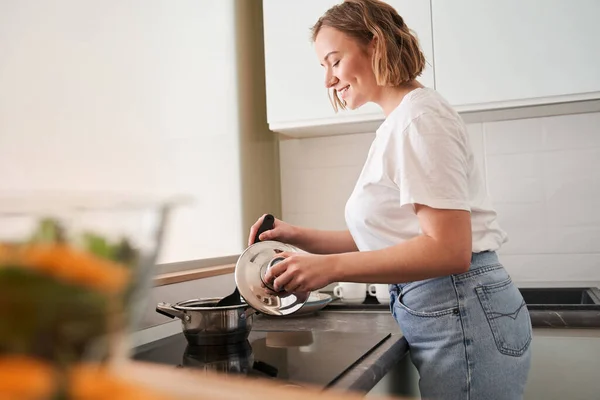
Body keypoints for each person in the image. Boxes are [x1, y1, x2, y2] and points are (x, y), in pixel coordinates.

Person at [248, 0, 532, 399]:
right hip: (449, 307)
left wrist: (328, 269)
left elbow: (449, 250)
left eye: (335, 61)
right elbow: (388, 237)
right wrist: (297, 236)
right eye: (323, 67)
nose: (328, 80)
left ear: (375, 45)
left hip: (459, 304)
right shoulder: (399, 122)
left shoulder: (420, 119)